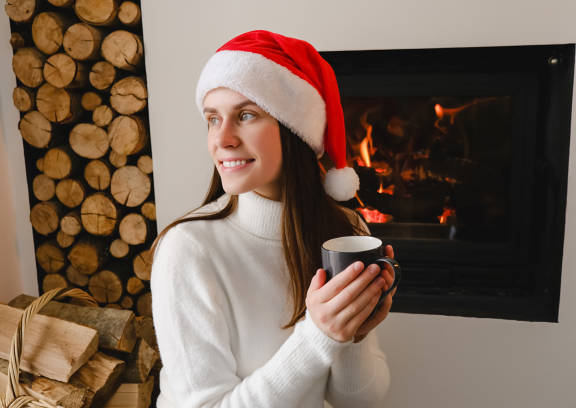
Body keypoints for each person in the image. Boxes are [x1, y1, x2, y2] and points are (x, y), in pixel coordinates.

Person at [150, 30, 398, 408]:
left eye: (246, 115)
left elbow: (360, 401)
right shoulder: (189, 250)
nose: (223, 139)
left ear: (295, 130)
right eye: (213, 119)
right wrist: (319, 336)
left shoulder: (346, 232)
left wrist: (354, 333)